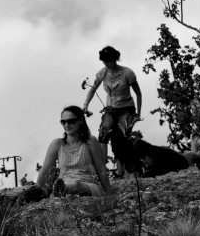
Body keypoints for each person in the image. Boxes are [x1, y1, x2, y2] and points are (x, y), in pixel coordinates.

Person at [82, 46, 142, 177]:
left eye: (108, 61)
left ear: (115, 60)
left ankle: (124, 169)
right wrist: (86, 104)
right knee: (104, 132)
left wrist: (138, 113)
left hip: (126, 108)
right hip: (110, 108)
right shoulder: (102, 73)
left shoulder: (127, 73)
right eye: (104, 61)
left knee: (121, 137)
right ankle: (102, 167)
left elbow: (138, 93)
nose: (106, 64)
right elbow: (93, 88)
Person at [36, 106, 112, 197]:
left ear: (81, 121)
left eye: (71, 121)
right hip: (64, 182)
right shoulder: (57, 144)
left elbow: (101, 170)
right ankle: (62, 189)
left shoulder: (90, 141)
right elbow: (44, 171)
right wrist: (36, 192)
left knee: (76, 185)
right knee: (66, 185)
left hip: (89, 184)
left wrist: (109, 194)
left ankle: (64, 189)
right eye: (63, 122)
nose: (66, 125)